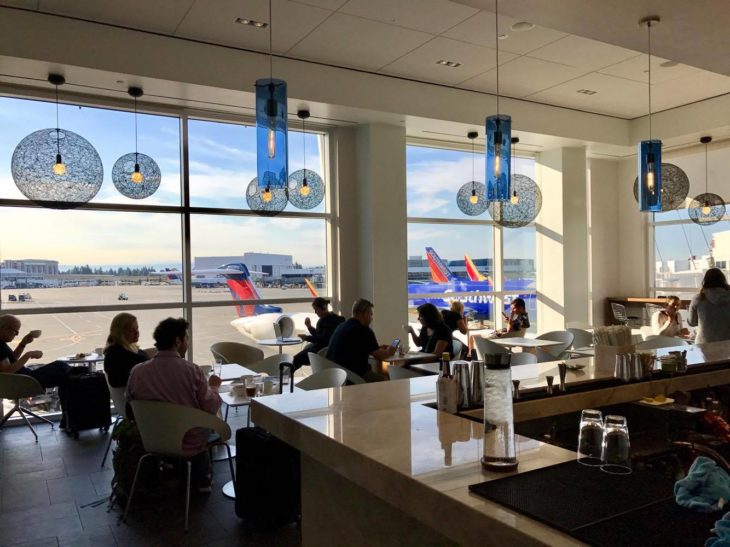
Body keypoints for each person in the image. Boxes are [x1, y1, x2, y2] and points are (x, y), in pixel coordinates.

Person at [126, 317, 222, 492]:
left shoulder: (137, 371)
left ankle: (170, 470)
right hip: (188, 441)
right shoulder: (192, 370)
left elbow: (130, 403)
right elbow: (211, 406)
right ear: (177, 342)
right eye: (186, 339)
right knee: (206, 425)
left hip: (151, 437)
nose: (187, 343)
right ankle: (202, 478)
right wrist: (214, 387)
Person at [0, 314, 72, 422]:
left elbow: (12, 360)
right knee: (61, 366)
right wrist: (28, 355)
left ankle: (68, 418)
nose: (16, 334)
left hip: (22, 378)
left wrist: (23, 343)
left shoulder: (1, 344)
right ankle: (71, 418)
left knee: (66, 377)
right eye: (15, 331)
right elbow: (8, 371)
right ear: (4, 328)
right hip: (23, 381)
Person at [326, 299, 396, 383]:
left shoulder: (342, 326)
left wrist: (375, 348)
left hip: (334, 375)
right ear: (364, 313)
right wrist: (390, 351)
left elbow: (353, 349)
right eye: (370, 314)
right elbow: (380, 356)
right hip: (352, 376)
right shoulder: (364, 330)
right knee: (384, 380)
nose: (372, 318)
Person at [292, 297, 345, 369]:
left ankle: (286, 377)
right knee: (297, 358)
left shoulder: (328, 321)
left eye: (316, 309)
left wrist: (306, 338)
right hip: (324, 348)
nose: (315, 312)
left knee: (297, 359)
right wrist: (309, 327)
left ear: (323, 307)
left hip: (323, 350)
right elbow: (319, 335)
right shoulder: (333, 319)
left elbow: (322, 339)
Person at [103, 313, 149, 388]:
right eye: (131, 330)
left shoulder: (128, 348)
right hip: (137, 396)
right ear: (120, 333)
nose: (137, 332)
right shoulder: (116, 355)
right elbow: (115, 381)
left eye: (137, 328)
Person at [688, 268, 730, 344]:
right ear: (723, 280)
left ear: (705, 281)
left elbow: (692, 322)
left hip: (704, 343)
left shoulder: (698, 298)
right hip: (726, 342)